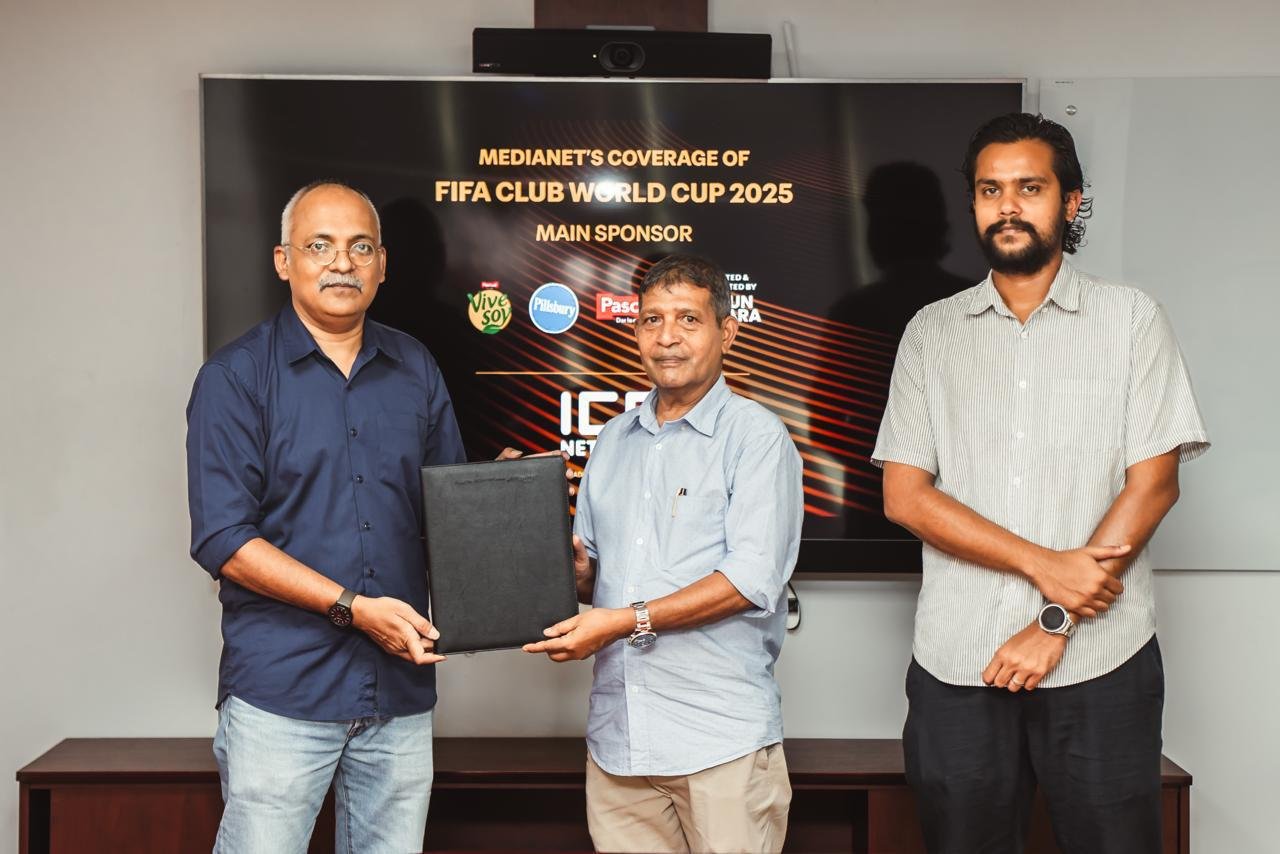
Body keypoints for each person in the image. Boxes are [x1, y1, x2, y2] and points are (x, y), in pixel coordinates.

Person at [872, 113, 1210, 854]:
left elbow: (1154, 486)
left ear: (1071, 200)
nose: (1008, 206)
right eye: (990, 190)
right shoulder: (931, 332)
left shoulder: (1131, 320)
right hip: (959, 661)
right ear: (972, 204)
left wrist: (1054, 620)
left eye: (1030, 187)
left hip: (1103, 661)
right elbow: (905, 496)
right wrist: (1045, 565)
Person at [186, 180, 464, 853]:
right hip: (282, 692)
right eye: (320, 246)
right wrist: (353, 608)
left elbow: (450, 508)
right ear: (284, 261)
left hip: (397, 692)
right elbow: (224, 539)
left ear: (383, 265)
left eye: (360, 247)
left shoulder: (416, 367)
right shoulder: (235, 378)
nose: (343, 262)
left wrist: (506, 500)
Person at [524, 254, 804, 854]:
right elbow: (597, 579)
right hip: (619, 744)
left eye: (688, 319)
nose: (667, 336)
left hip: (720, 742)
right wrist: (570, 571)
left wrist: (625, 620)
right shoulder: (612, 440)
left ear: (727, 332)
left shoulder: (756, 438)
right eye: (652, 320)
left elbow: (750, 580)